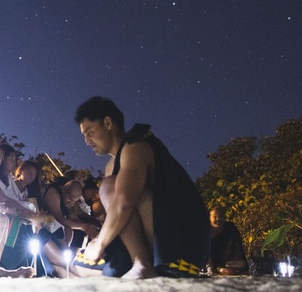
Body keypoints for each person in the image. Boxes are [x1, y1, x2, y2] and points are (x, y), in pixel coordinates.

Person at [75, 96, 209, 279]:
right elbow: (119, 213)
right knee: (83, 267)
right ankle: (139, 262)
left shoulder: (135, 146)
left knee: (110, 187)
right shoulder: (110, 166)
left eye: (89, 132)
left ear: (107, 122)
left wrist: (100, 245)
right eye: (83, 135)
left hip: (182, 242)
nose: (86, 141)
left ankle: (142, 264)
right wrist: (100, 241)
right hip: (155, 236)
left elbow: (124, 202)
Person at [208, 206, 247, 274]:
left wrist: (235, 260)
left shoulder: (230, 229)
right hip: (209, 263)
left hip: (227, 264)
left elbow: (238, 248)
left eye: (221, 216)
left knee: (241, 264)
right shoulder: (205, 231)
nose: (218, 219)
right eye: (215, 216)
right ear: (209, 217)